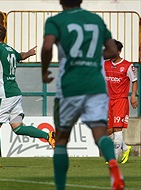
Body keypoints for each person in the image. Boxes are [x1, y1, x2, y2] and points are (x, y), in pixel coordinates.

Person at [41, 0, 124, 190]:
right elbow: (112, 50)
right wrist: (93, 56)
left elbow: (47, 48)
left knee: (61, 140)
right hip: (96, 86)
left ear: (61, 1)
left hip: (70, 86)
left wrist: (44, 71)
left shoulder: (56, 21)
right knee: (100, 134)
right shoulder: (95, 20)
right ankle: (113, 164)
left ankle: (60, 187)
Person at [0, 24, 55, 169]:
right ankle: (49, 136)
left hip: (5, 93)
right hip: (15, 93)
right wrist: (29, 53)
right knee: (18, 127)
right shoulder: (9, 49)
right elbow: (20, 56)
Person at [104, 39, 138, 164]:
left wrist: (133, 95)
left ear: (119, 51)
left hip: (120, 100)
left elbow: (134, 81)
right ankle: (125, 147)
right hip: (108, 101)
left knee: (117, 129)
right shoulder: (105, 64)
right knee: (107, 131)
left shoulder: (128, 65)